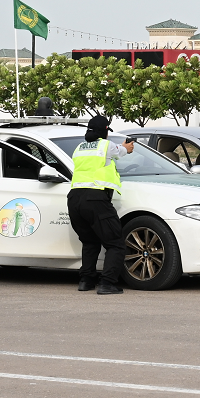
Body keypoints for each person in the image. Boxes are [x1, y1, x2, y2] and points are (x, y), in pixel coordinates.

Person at [68, 115, 132, 295]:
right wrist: (127, 147)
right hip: (95, 197)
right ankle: (107, 283)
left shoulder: (79, 148)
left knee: (89, 242)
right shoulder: (105, 145)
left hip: (74, 199)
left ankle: (86, 281)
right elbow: (120, 151)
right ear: (105, 131)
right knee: (116, 243)